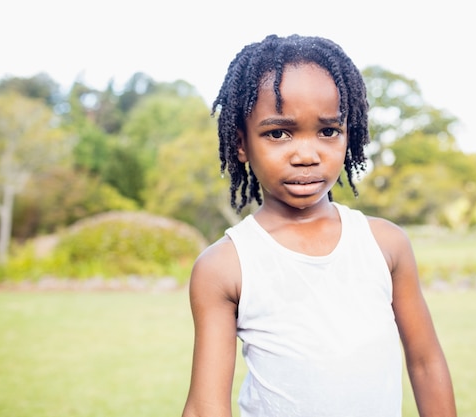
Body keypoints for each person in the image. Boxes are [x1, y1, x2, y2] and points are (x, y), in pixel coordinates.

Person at [181, 34, 456, 417]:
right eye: (278, 133)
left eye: (328, 131)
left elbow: (427, 364)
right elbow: (205, 406)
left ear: (349, 134)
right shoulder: (225, 265)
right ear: (241, 144)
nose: (307, 155)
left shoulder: (385, 244)